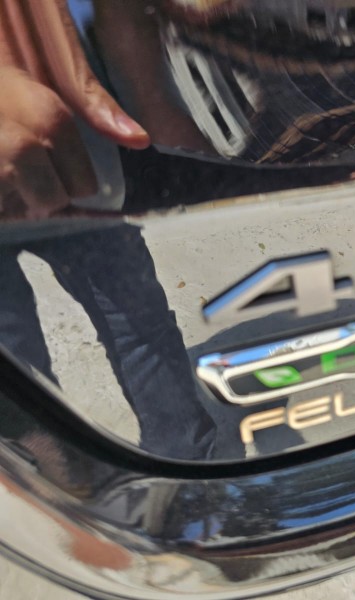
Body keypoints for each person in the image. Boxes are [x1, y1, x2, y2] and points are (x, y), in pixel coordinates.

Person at [0, 0, 218, 459]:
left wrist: (152, 95)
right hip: (77, 148)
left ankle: (181, 461)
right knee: (21, 355)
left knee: (133, 321)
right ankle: (58, 471)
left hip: (78, 148)